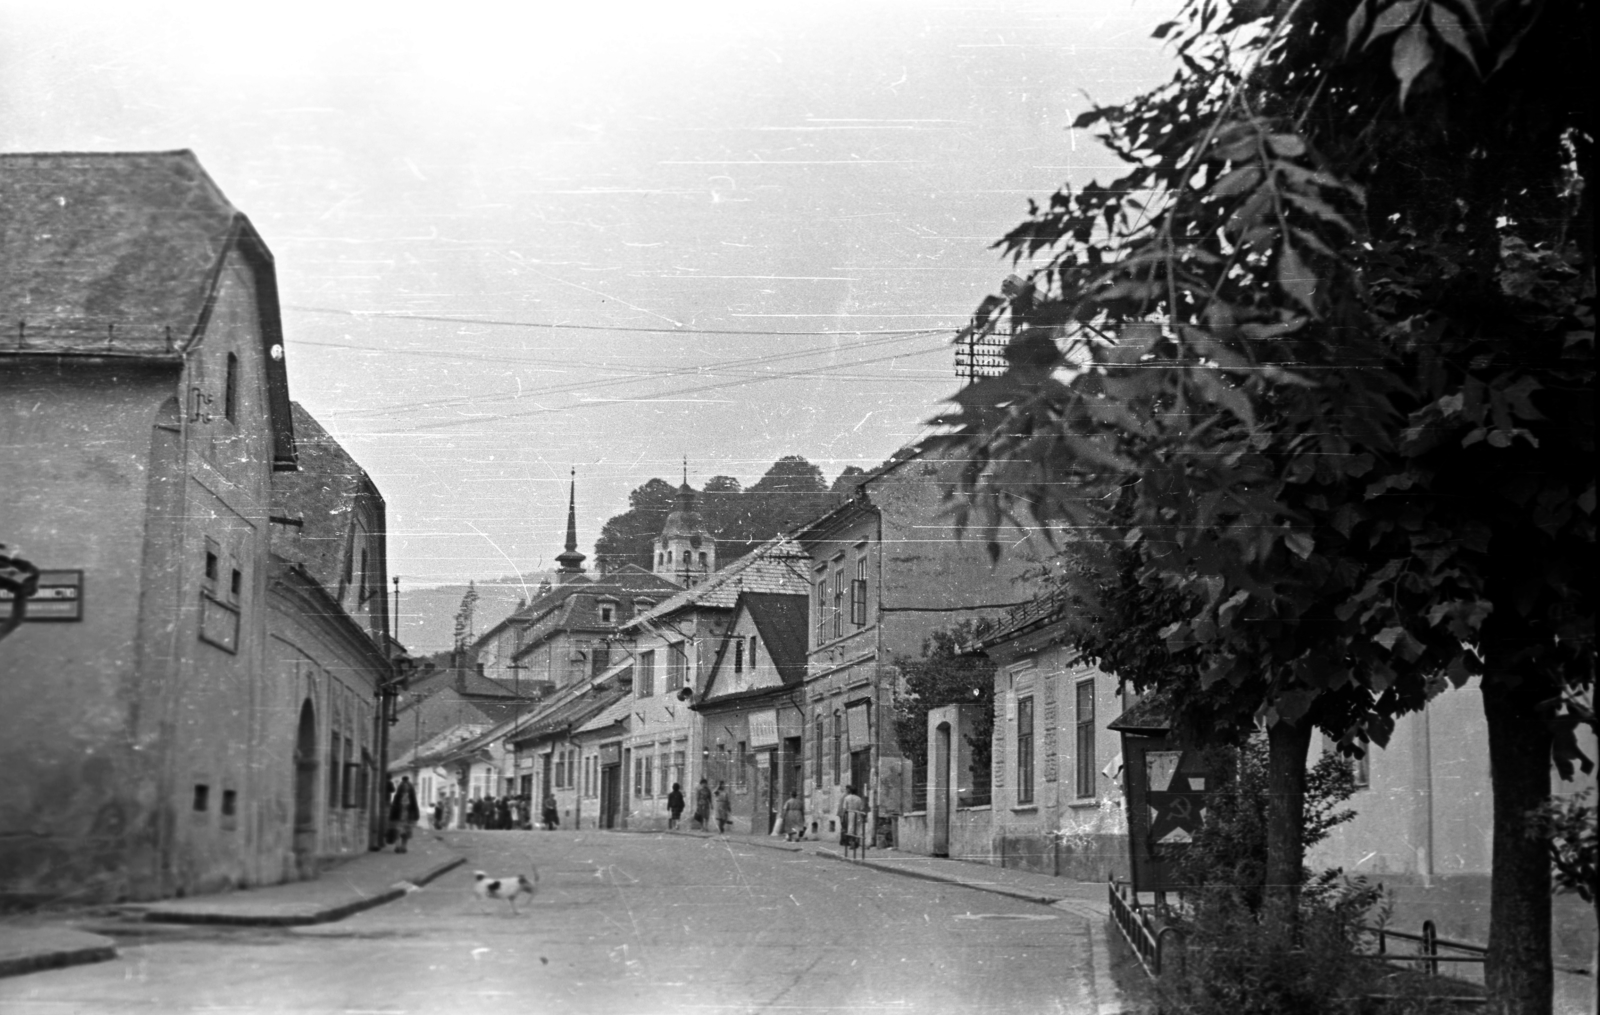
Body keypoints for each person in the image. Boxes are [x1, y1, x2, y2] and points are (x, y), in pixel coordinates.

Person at [388, 776, 420, 853]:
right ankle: (397, 846)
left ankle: (403, 847)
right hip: (399, 817)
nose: (405, 788)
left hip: (407, 817)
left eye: (406, 787)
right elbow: (394, 806)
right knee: (397, 832)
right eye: (404, 787)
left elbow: (414, 806)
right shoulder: (398, 797)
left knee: (406, 833)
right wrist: (392, 816)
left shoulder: (411, 798)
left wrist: (416, 815)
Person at [838, 783, 867, 849]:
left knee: (850, 828)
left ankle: (852, 843)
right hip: (858, 813)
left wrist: (843, 817)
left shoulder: (847, 798)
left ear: (850, 791)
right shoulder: (859, 798)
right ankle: (856, 842)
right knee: (857, 828)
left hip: (850, 813)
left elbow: (844, 808)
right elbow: (861, 808)